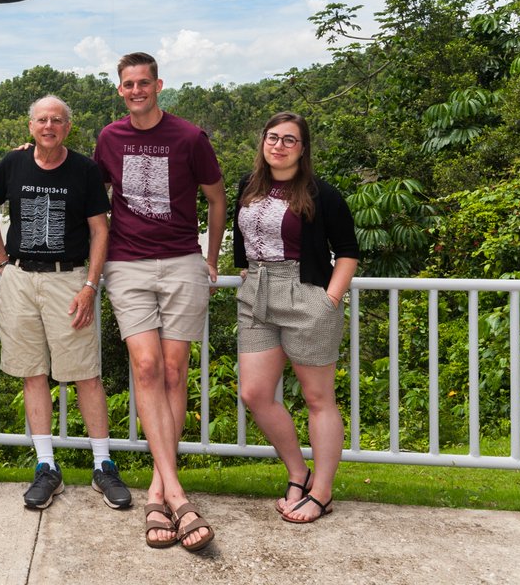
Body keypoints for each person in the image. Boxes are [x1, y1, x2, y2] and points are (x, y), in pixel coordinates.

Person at [93, 52, 226, 551]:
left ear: (158, 85)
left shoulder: (189, 137)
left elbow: (216, 198)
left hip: (181, 262)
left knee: (174, 371)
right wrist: (31, 152)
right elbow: (90, 193)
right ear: (120, 89)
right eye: (128, 84)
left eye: (143, 82)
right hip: (126, 264)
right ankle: (177, 492)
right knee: (146, 367)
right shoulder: (109, 137)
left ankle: (157, 489)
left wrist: (211, 258)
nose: (135, 90)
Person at [0, 95, 132, 511]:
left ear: (68, 127)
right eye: (42, 120)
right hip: (21, 278)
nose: (49, 126)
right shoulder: (13, 164)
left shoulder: (85, 170)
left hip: (69, 280)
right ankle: (46, 466)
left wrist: (89, 285)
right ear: (31, 127)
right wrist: (2, 261)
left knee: (86, 373)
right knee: (32, 374)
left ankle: (104, 465)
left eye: (57, 120)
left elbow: (100, 230)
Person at [233, 111, 359, 524]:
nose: (279, 146)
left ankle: (321, 491)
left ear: (302, 149)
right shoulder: (247, 187)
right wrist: (248, 278)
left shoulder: (323, 193)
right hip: (257, 295)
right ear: (263, 142)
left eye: (290, 140)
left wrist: (330, 300)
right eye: (273, 137)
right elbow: (244, 248)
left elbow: (347, 252)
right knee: (254, 392)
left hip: (306, 295)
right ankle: (297, 472)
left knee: (317, 398)